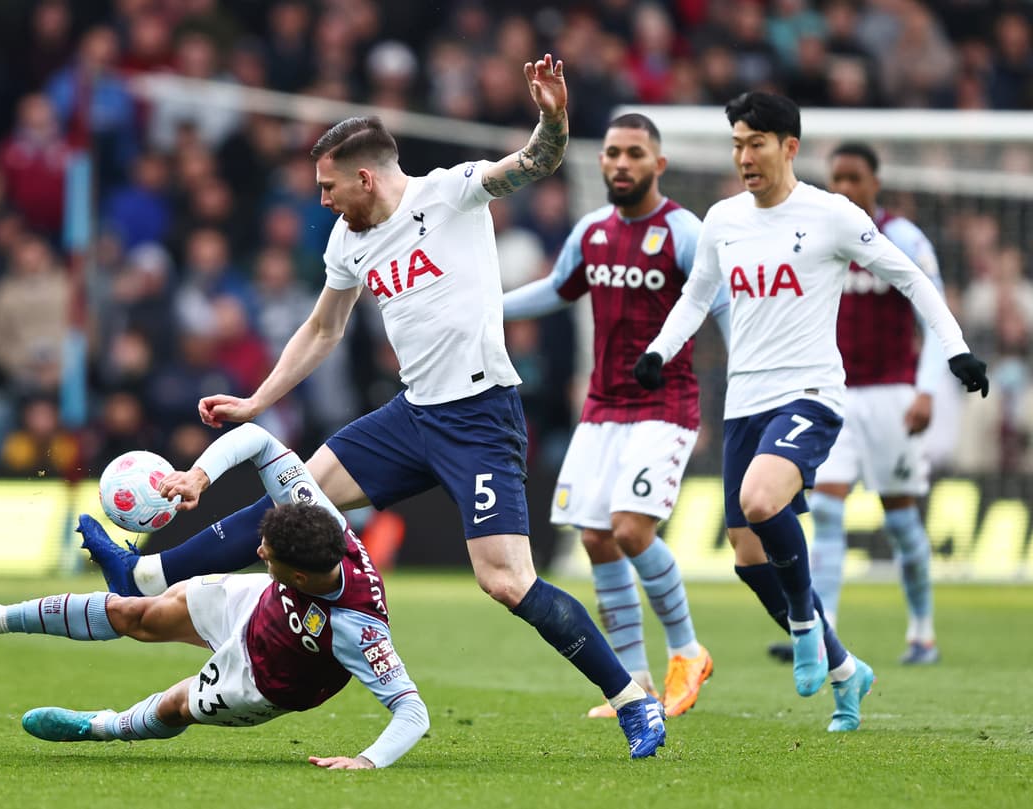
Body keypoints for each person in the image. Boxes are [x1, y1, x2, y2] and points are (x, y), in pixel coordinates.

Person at [82, 54, 668, 757]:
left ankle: (634, 702)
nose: (322, 201)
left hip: (480, 416)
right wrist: (259, 398)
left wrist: (552, 116)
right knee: (293, 507)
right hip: (412, 414)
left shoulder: (450, 193)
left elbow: (537, 162)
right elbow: (324, 328)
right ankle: (144, 572)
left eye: (329, 187)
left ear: (365, 176)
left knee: (507, 581)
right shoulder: (347, 239)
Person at [632, 91, 989, 732]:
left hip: (811, 395)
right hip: (744, 401)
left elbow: (911, 276)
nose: (743, 156)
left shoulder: (831, 215)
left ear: (788, 147)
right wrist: (659, 350)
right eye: (736, 144)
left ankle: (804, 621)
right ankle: (847, 668)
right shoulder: (722, 220)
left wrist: (956, 350)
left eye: (755, 144)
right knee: (746, 555)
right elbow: (695, 297)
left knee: (763, 501)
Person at [0, 423, 428, 769]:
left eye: (266, 552)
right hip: (259, 603)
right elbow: (257, 439)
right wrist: (198, 477)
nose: (256, 549)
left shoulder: (358, 630)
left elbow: (412, 713)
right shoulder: (324, 523)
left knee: (174, 706)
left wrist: (366, 760)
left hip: (268, 677)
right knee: (134, 613)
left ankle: (99, 727)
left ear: (296, 574)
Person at [502, 113, 724, 720]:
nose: (621, 164)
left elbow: (719, 304)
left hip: (665, 404)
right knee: (597, 537)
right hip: (602, 407)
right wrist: (489, 309)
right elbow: (556, 289)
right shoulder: (593, 230)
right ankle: (634, 680)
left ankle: (687, 651)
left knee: (631, 529)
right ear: (600, 162)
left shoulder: (683, 231)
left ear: (658, 164)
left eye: (634, 154)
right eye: (612, 154)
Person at [767, 142, 945, 667]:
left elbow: (932, 313)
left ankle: (923, 632)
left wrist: (927, 388)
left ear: (875, 182)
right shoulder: (816, 234)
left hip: (893, 395)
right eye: (836, 178)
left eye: (854, 178)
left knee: (901, 521)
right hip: (833, 395)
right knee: (825, 510)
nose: (844, 187)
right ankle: (826, 633)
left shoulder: (904, 238)